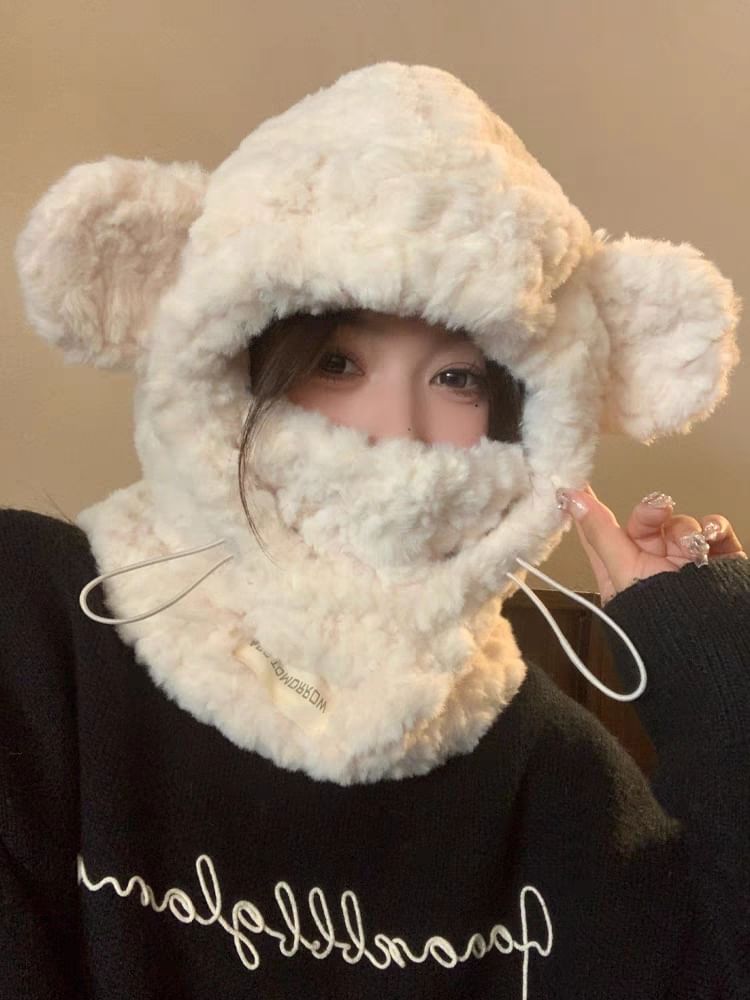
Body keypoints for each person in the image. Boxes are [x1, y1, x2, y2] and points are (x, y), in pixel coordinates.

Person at [3, 61, 748, 999]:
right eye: (337, 360)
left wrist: (708, 648)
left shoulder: (554, 772)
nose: (396, 430)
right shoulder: (40, 615)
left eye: (457, 377)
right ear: (224, 360)